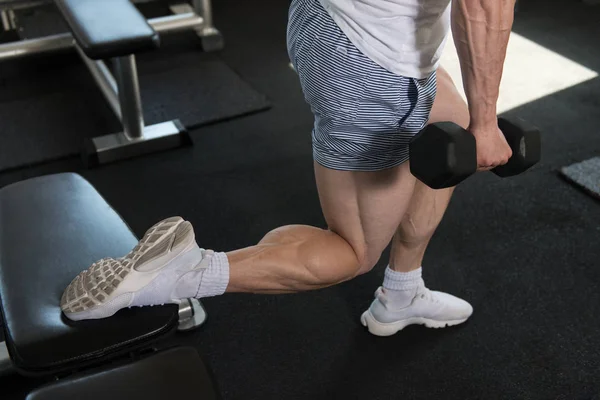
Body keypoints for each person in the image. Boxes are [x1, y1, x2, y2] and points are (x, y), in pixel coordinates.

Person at [60, 0, 515, 336]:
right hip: (373, 60)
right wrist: (487, 120)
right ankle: (183, 273)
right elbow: (483, 8)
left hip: (332, 21)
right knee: (353, 250)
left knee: (448, 118)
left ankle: (401, 293)